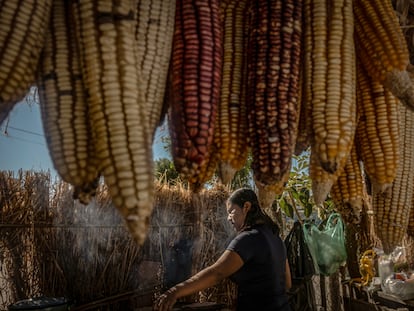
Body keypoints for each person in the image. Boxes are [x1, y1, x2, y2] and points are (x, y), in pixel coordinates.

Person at [153, 188, 292, 311]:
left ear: (246, 207)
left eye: (231, 211)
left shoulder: (247, 239)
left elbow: (217, 273)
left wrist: (175, 292)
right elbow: (287, 283)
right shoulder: (277, 239)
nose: (228, 218)